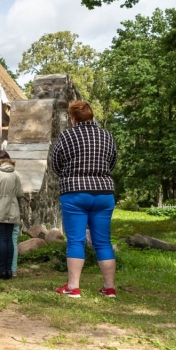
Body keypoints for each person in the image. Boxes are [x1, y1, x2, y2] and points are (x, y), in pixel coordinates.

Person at [51, 100, 118, 298]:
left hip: (74, 192)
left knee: (76, 241)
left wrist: (69, 175)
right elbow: (112, 161)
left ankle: (73, 287)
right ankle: (109, 287)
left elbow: (55, 163)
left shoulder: (67, 135)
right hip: (103, 192)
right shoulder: (106, 135)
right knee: (103, 241)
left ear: (73, 118)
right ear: (91, 115)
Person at [0, 150, 25, 280]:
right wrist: (21, 211)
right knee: (9, 240)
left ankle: (1, 270)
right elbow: (20, 194)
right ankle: (9, 270)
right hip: (13, 209)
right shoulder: (15, 174)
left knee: (2, 239)